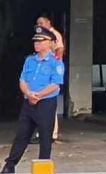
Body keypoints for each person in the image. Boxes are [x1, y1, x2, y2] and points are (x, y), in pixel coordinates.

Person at [1, 27, 65, 174]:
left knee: (45, 137)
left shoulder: (56, 63)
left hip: (45, 103)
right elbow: (22, 80)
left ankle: (42, 168)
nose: (37, 43)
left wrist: (38, 96)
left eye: (41, 40)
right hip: (28, 102)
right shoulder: (30, 60)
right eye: (35, 40)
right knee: (21, 135)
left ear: (50, 43)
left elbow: (55, 84)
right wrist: (29, 94)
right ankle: (9, 166)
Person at [31, 11, 65, 144]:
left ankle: (51, 133)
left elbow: (60, 49)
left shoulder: (54, 35)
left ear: (48, 23)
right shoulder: (41, 36)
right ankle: (42, 132)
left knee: (49, 102)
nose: (39, 25)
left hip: (50, 70)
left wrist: (56, 65)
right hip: (43, 70)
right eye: (38, 23)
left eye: (42, 23)